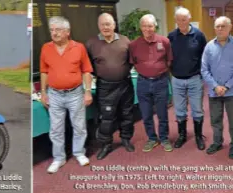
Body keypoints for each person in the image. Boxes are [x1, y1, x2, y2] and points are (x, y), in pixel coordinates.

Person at [39, 16, 94, 173]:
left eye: (57, 30)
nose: (54, 33)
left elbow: (86, 70)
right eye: (52, 30)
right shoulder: (46, 48)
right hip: (54, 94)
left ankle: (79, 153)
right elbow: (43, 71)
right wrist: (43, 92)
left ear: (67, 32)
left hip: (75, 93)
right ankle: (59, 158)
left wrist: (88, 91)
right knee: (56, 129)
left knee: (79, 126)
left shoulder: (79, 47)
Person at [85, 13, 135, 160]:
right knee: (106, 117)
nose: (106, 27)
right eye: (103, 24)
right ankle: (106, 144)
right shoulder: (91, 43)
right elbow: (88, 66)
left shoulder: (125, 40)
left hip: (125, 84)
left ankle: (126, 139)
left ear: (114, 25)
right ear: (98, 26)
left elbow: (131, 60)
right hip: (105, 87)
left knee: (127, 113)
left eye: (108, 24)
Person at [200, 16, 233, 159]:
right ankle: (217, 142)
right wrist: (215, 86)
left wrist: (226, 86)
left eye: (223, 26)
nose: (220, 29)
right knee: (215, 120)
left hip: (232, 91)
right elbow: (204, 69)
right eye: (217, 26)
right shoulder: (209, 46)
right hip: (214, 92)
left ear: (229, 27)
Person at [129, 14, 173, 152]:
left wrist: (158, 70)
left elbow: (169, 60)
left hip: (161, 82)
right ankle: (152, 139)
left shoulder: (164, 41)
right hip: (143, 83)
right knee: (146, 114)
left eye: (150, 26)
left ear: (155, 27)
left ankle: (164, 138)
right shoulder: (134, 44)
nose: (147, 29)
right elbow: (133, 62)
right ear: (140, 27)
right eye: (144, 26)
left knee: (162, 114)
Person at [167, 7, 208, 150]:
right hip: (177, 79)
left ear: (189, 18)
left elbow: (205, 56)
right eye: (178, 19)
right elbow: (167, 56)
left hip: (195, 78)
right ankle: (182, 135)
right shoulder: (171, 36)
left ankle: (198, 136)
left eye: (184, 19)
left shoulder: (199, 35)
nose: (181, 22)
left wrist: (202, 75)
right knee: (179, 110)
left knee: (197, 109)